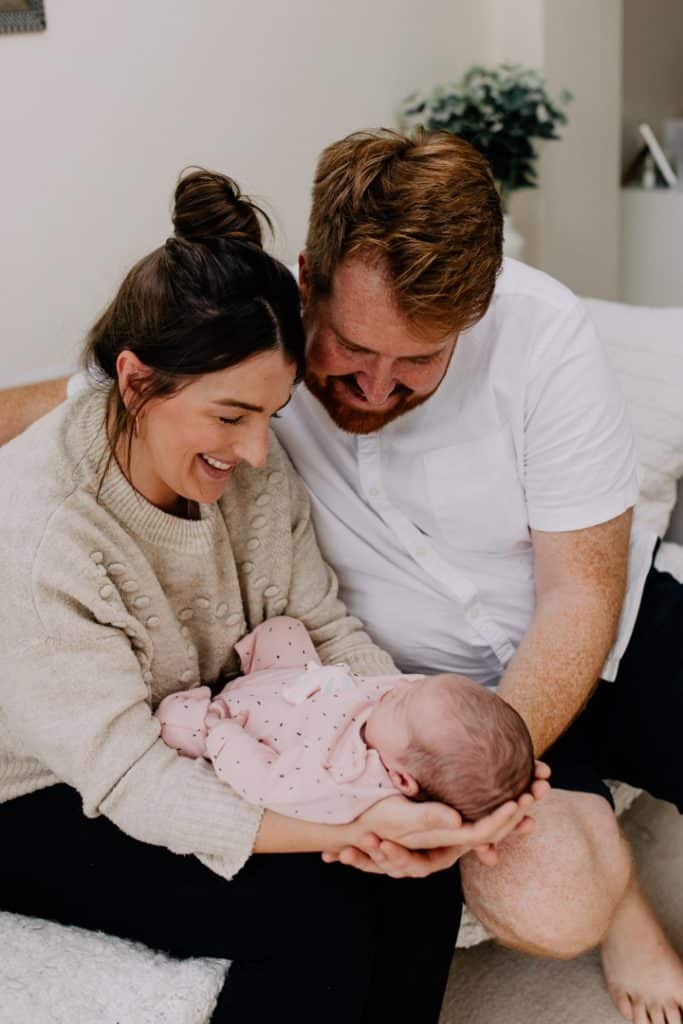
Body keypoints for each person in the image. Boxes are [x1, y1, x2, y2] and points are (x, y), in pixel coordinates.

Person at [27, 128, 681, 1021]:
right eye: (350, 351)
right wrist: (373, 813)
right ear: (308, 280)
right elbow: (94, 405)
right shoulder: (200, 398)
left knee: (417, 873)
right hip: (86, 776)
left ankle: (616, 876)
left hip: (559, 648)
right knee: (408, 904)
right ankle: (600, 874)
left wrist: (447, 780)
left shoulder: (538, 336)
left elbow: (572, 600)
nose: (373, 389)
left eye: (417, 362)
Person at [156, 615, 535, 824]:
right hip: (300, 685)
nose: (397, 689)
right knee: (284, 628)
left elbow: (271, 784)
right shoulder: (413, 716)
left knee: (175, 720)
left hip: (253, 727)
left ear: (400, 778)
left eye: (401, 705)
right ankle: (255, 673)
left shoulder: (349, 779)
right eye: (414, 688)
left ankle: (205, 719)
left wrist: (224, 735)